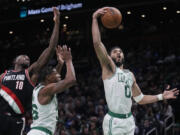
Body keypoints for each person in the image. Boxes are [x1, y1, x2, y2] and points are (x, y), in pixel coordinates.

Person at [91, 7, 179, 135]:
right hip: (114, 121)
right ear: (109, 57)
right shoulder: (109, 68)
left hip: (129, 121)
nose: (118, 53)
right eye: (115, 52)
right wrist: (94, 18)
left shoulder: (130, 74)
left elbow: (140, 98)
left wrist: (161, 96)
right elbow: (97, 43)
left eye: (120, 51)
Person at [0, 7, 60, 135]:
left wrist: (57, 23)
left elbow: (50, 48)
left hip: (16, 120)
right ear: (15, 61)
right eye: (23, 56)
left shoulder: (30, 73)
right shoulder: (3, 75)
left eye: (28, 57)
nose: (26, 57)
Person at [27, 45, 76, 135]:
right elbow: (71, 80)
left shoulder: (40, 89)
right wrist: (68, 60)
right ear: (48, 77)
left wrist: (60, 63)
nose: (59, 75)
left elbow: (53, 78)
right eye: (55, 74)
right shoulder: (46, 90)